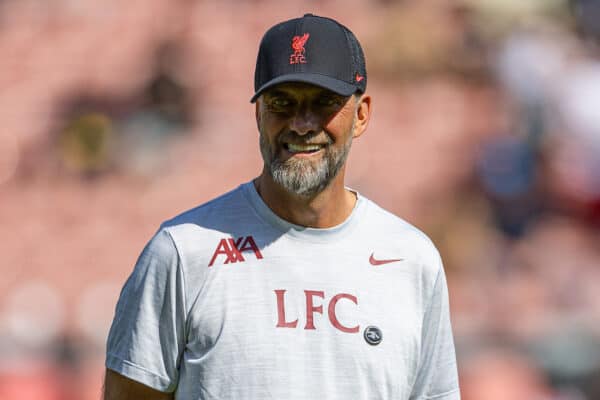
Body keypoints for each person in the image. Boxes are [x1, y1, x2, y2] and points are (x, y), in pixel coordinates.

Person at [103, 14, 460, 400]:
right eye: (281, 103)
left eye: (324, 103)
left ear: (361, 114)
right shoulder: (183, 252)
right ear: (258, 114)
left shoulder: (412, 259)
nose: (302, 124)